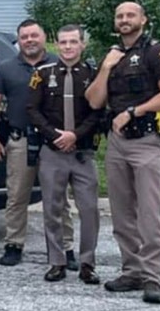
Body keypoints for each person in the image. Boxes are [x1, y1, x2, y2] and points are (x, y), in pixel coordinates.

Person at [86, 1, 160, 304]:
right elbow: (94, 101)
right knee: (122, 212)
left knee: (150, 213)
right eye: (120, 16)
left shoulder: (158, 51)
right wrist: (105, 67)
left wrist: (133, 111)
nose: (124, 19)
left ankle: (153, 278)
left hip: (149, 140)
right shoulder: (113, 55)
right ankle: (132, 270)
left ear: (143, 19)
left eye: (130, 15)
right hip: (118, 143)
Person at [0, 19, 75, 269]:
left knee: (58, 198)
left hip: (55, 141)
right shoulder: (6, 68)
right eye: (24, 37)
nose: (29, 40)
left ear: (44, 37)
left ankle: (65, 248)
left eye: (34, 35)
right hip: (20, 139)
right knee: (16, 195)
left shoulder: (61, 64)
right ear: (18, 40)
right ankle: (13, 244)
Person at [26, 24, 103, 284]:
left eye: (73, 42)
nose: (68, 47)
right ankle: (56, 262)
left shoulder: (94, 74)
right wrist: (56, 136)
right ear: (56, 45)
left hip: (83, 153)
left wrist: (76, 135)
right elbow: (32, 110)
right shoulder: (42, 73)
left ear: (83, 44)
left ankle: (87, 264)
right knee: (52, 208)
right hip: (53, 151)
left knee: (90, 209)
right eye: (63, 42)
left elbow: (98, 111)